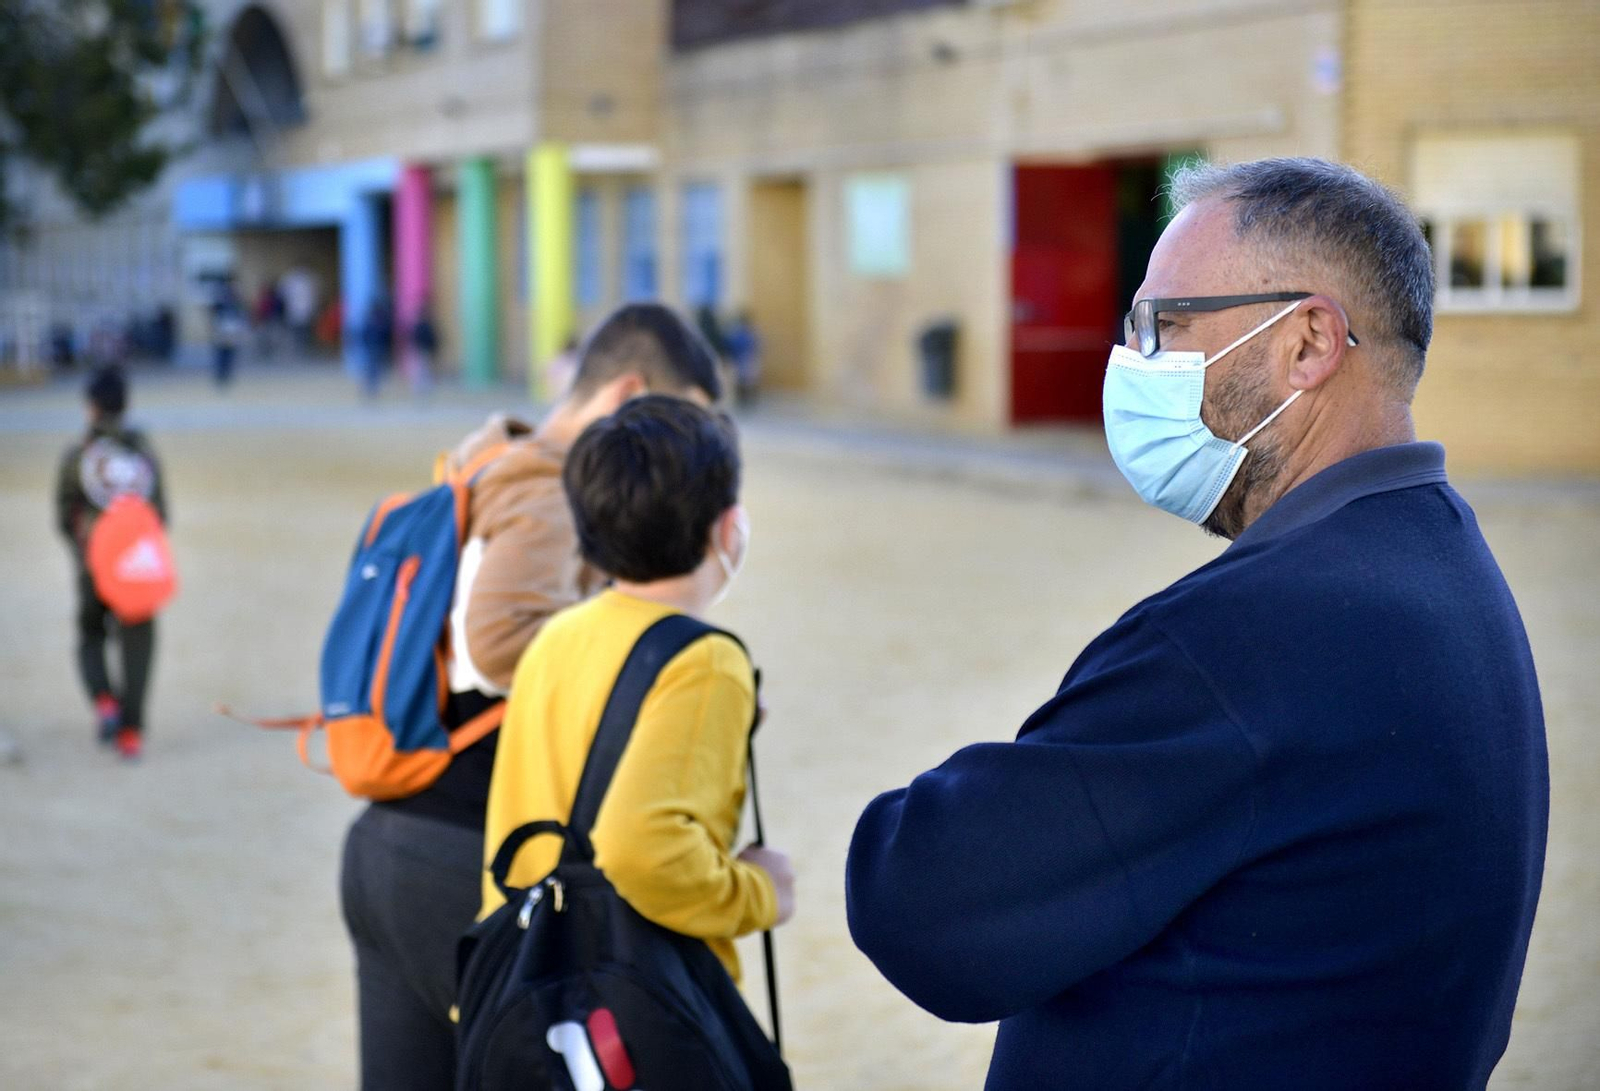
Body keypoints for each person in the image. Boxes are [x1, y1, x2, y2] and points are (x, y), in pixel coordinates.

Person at [846, 157, 1547, 1090]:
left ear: (1308, 342)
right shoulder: (1446, 564)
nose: (1136, 362)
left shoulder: (1257, 635)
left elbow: (922, 900)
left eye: (1167, 326)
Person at [338, 303, 725, 1091]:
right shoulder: (552, 486)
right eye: (682, 422)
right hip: (462, 858)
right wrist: (650, 641)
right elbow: (497, 636)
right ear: (628, 394)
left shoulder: (489, 458)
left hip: (388, 843)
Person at [481, 394, 794, 988]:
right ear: (728, 528)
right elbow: (641, 849)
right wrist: (759, 893)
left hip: (526, 980)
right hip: (632, 1011)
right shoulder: (705, 663)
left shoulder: (559, 634)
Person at [55, 366, 168, 761]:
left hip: (93, 564)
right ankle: (131, 731)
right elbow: (161, 515)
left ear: (90, 408)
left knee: (91, 633)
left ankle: (104, 700)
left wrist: (84, 553)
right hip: (135, 565)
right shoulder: (143, 454)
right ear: (127, 405)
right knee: (139, 644)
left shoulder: (79, 456)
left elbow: (62, 515)